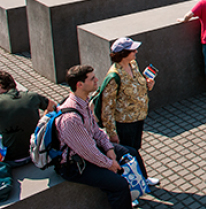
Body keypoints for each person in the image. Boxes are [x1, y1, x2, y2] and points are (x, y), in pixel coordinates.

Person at [56, 65, 157, 209]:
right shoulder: (70, 118)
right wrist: (110, 164)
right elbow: (88, 151)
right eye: (92, 79)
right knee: (119, 184)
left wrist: (110, 150)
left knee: (131, 152)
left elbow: (96, 131)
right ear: (80, 85)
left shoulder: (84, 101)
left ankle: (140, 184)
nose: (97, 80)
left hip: (89, 150)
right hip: (76, 165)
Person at [99, 37, 155, 153]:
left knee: (136, 148)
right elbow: (107, 108)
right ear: (124, 53)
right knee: (128, 152)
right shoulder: (114, 76)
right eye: (133, 50)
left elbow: (137, 85)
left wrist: (148, 84)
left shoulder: (133, 64)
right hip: (125, 123)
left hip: (138, 117)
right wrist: (112, 133)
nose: (136, 52)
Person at [0, 70, 55, 166]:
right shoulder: (32, 96)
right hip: (36, 153)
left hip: (10, 159)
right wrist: (42, 122)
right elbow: (53, 106)